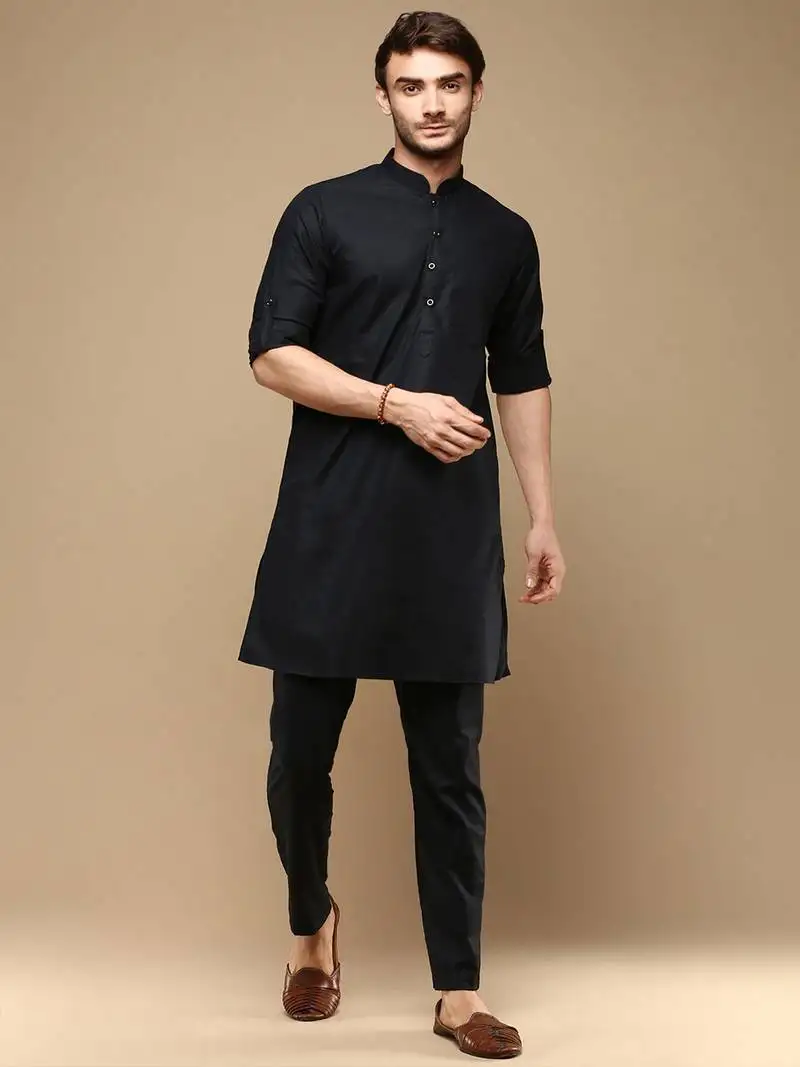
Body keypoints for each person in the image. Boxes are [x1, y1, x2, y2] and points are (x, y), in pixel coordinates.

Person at [238, 9, 566, 1059]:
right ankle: (310, 927)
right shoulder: (322, 210)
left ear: (477, 94)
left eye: (449, 83)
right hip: (327, 520)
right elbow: (272, 354)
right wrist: (395, 403)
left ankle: (458, 992)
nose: (431, 102)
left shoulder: (504, 234)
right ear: (381, 95)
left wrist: (542, 515)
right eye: (411, 84)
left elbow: (521, 375)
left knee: (449, 768)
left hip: (447, 531)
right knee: (299, 754)